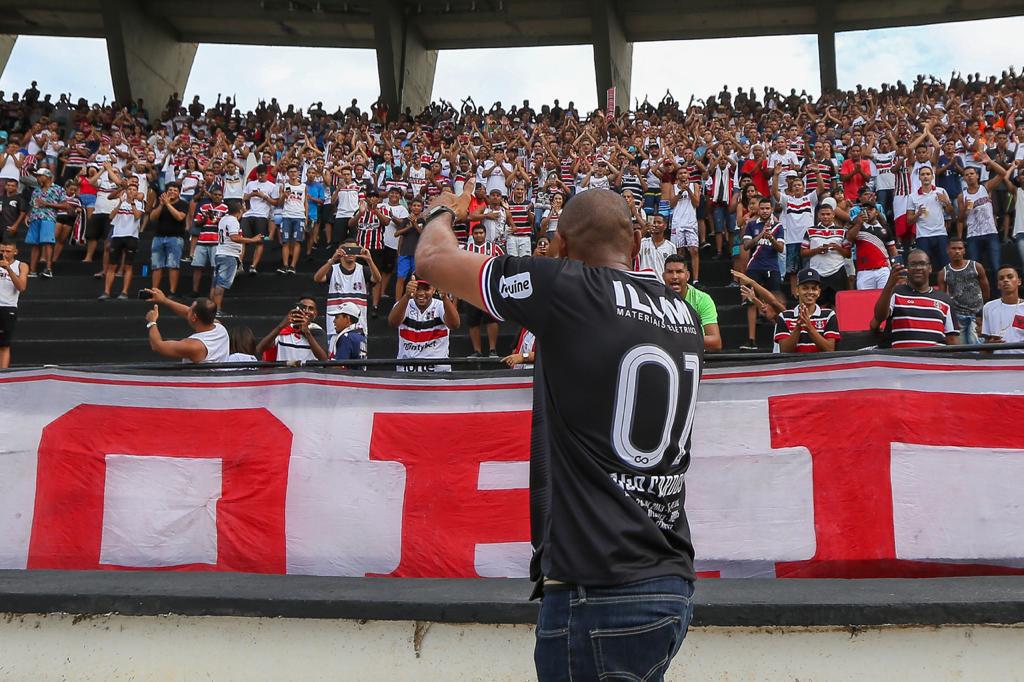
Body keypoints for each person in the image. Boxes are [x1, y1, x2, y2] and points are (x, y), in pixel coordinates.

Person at [414, 187, 703, 682]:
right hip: (667, 575)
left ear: (562, 247)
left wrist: (444, 210)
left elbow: (432, 258)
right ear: (636, 243)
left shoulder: (565, 287)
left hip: (597, 586)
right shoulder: (684, 314)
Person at [872, 250, 958, 348]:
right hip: (903, 360)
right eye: (913, 264)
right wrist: (889, 286)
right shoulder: (896, 293)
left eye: (922, 264)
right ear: (907, 268)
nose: (918, 268)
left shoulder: (944, 300)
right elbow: (879, 317)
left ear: (930, 268)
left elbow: (952, 339)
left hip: (934, 360)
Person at [740, 196, 785, 349]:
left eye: (767, 208)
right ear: (758, 210)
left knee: (776, 302)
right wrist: (760, 235)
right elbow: (746, 246)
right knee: (750, 302)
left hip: (772, 267)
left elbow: (780, 248)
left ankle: (779, 337)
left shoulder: (778, 227)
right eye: (762, 208)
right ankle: (751, 340)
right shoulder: (752, 226)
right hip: (754, 266)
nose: (765, 211)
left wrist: (771, 238)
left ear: (771, 209)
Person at [314, 241, 380, 345]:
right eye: (346, 250)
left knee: (358, 359)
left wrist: (370, 261)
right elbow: (317, 278)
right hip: (335, 327)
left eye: (354, 250)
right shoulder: (333, 270)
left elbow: (377, 279)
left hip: (358, 326)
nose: (350, 253)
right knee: (335, 359)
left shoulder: (363, 270)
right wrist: (332, 260)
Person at [387, 277, 460, 372]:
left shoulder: (440, 306)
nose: (421, 293)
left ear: (433, 289)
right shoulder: (403, 304)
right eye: (417, 288)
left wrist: (445, 298)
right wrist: (406, 296)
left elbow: (455, 324)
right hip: (406, 374)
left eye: (426, 289)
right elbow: (393, 323)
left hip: (438, 375)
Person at [141, 289, 230, 363]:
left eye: (190, 309)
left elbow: (158, 346)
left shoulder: (195, 346)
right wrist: (164, 300)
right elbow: (188, 312)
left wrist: (152, 322)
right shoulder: (220, 327)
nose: (188, 310)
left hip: (202, 382)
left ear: (194, 318)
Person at [662, 254, 722, 351]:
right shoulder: (656, 299)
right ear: (663, 276)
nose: (674, 276)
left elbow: (715, 342)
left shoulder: (702, 299)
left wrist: (676, 339)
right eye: (670, 272)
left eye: (679, 272)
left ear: (687, 275)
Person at [773, 268, 840, 352]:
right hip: (795, 365)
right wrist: (798, 327)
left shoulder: (829, 315)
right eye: (805, 288)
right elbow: (784, 351)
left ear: (819, 292)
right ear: (797, 290)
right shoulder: (784, 316)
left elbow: (829, 349)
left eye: (814, 288)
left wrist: (809, 328)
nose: (810, 292)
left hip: (820, 364)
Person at [212, 199, 262, 314]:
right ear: (239, 210)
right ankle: (217, 310)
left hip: (220, 253)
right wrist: (252, 239)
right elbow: (234, 237)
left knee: (216, 284)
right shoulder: (233, 221)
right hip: (228, 255)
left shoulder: (223, 219)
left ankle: (213, 309)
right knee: (221, 284)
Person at [98, 177, 144, 300]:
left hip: (131, 236)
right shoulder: (121, 201)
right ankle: (106, 291)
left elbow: (137, 216)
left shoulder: (139, 203)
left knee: (128, 266)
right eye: (130, 189)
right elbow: (111, 216)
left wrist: (132, 202)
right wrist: (120, 203)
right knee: (112, 265)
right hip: (117, 235)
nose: (131, 191)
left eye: (134, 190)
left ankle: (124, 292)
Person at [937, 238, 989, 345]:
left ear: (964, 250)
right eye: (954, 248)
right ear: (948, 250)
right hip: (958, 317)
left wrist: (981, 310)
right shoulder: (944, 272)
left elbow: (986, 290)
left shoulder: (976, 266)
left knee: (978, 348)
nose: (957, 251)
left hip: (977, 316)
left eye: (960, 248)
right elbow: (942, 298)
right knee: (961, 350)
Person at [906, 166, 953, 270]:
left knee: (946, 265)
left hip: (940, 234)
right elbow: (909, 221)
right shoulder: (912, 196)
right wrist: (917, 214)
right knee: (924, 266)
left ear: (932, 176)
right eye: (923, 174)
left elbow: (951, 212)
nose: (925, 177)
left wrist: (946, 201)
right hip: (922, 236)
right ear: (919, 177)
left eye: (928, 174)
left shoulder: (941, 191)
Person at [255, 296, 328, 362]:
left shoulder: (318, 332)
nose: (306, 311)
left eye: (311, 308)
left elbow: (323, 359)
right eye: (303, 307)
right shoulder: (284, 329)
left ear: (315, 314)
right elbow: (260, 349)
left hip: (306, 376)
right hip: (284, 375)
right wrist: (280, 327)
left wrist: (307, 332)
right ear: (297, 309)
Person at [148, 181, 188, 296]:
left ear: (179, 193)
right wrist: (161, 205)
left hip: (175, 238)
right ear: (166, 191)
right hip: (158, 237)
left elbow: (180, 217)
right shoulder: (160, 203)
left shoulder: (183, 204)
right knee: (156, 265)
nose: (172, 192)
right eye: (170, 190)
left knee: (173, 265)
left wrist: (168, 204)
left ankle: (172, 291)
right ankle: (154, 291)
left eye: (175, 190)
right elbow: (152, 217)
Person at [846, 201, 897, 290]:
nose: (868, 211)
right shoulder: (858, 227)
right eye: (865, 209)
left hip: (883, 270)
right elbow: (849, 238)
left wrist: (895, 266)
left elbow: (892, 249)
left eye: (870, 209)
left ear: (876, 212)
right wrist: (859, 223)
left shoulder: (884, 228)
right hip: (864, 271)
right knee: (865, 301)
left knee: (884, 297)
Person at [26, 167, 66, 278]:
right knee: (34, 244)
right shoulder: (36, 190)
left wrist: (47, 204)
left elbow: (65, 205)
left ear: (47, 177)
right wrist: (28, 215)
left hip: (48, 218)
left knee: (48, 243)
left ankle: (48, 269)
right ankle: (32, 271)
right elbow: (32, 204)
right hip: (35, 218)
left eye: (40, 176)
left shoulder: (58, 189)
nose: (37, 178)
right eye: (37, 176)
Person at [240, 164, 279, 274]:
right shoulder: (251, 184)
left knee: (259, 241)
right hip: (248, 215)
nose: (260, 177)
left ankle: (253, 266)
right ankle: (240, 264)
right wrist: (252, 194)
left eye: (262, 175)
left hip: (262, 216)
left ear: (266, 174)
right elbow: (243, 198)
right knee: (242, 240)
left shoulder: (272, 186)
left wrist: (264, 196)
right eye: (258, 175)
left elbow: (276, 202)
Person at [980, 265, 1024, 354]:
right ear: (998, 285)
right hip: (997, 362)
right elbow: (987, 342)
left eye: (1010, 277)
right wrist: (990, 344)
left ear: (1019, 281)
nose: (1005, 280)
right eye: (1001, 278)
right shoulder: (989, 307)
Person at [0, 242, 28, 367]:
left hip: (8, 307)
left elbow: (21, 287)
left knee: (4, 344)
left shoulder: (21, 266)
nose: (4, 254)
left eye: (8, 251)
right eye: (2, 251)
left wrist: (9, 269)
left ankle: (3, 376)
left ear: (15, 252)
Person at [278, 164, 307, 274]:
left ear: (298, 173)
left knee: (297, 241)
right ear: (288, 173)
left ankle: (293, 266)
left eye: (295, 171)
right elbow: (279, 204)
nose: (293, 174)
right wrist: (283, 196)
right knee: (285, 241)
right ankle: (285, 265)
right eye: (291, 172)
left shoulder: (303, 186)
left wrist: (306, 217)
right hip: (286, 215)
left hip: (299, 216)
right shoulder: (284, 186)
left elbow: (306, 203)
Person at [0, 177, 26, 245]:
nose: (10, 187)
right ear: (5, 186)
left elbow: (22, 213)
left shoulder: (20, 198)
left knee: (8, 248)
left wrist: (15, 225)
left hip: (9, 227)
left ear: (16, 187)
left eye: (12, 186)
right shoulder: (1, 198)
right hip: (0, 226)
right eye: (8, 185)